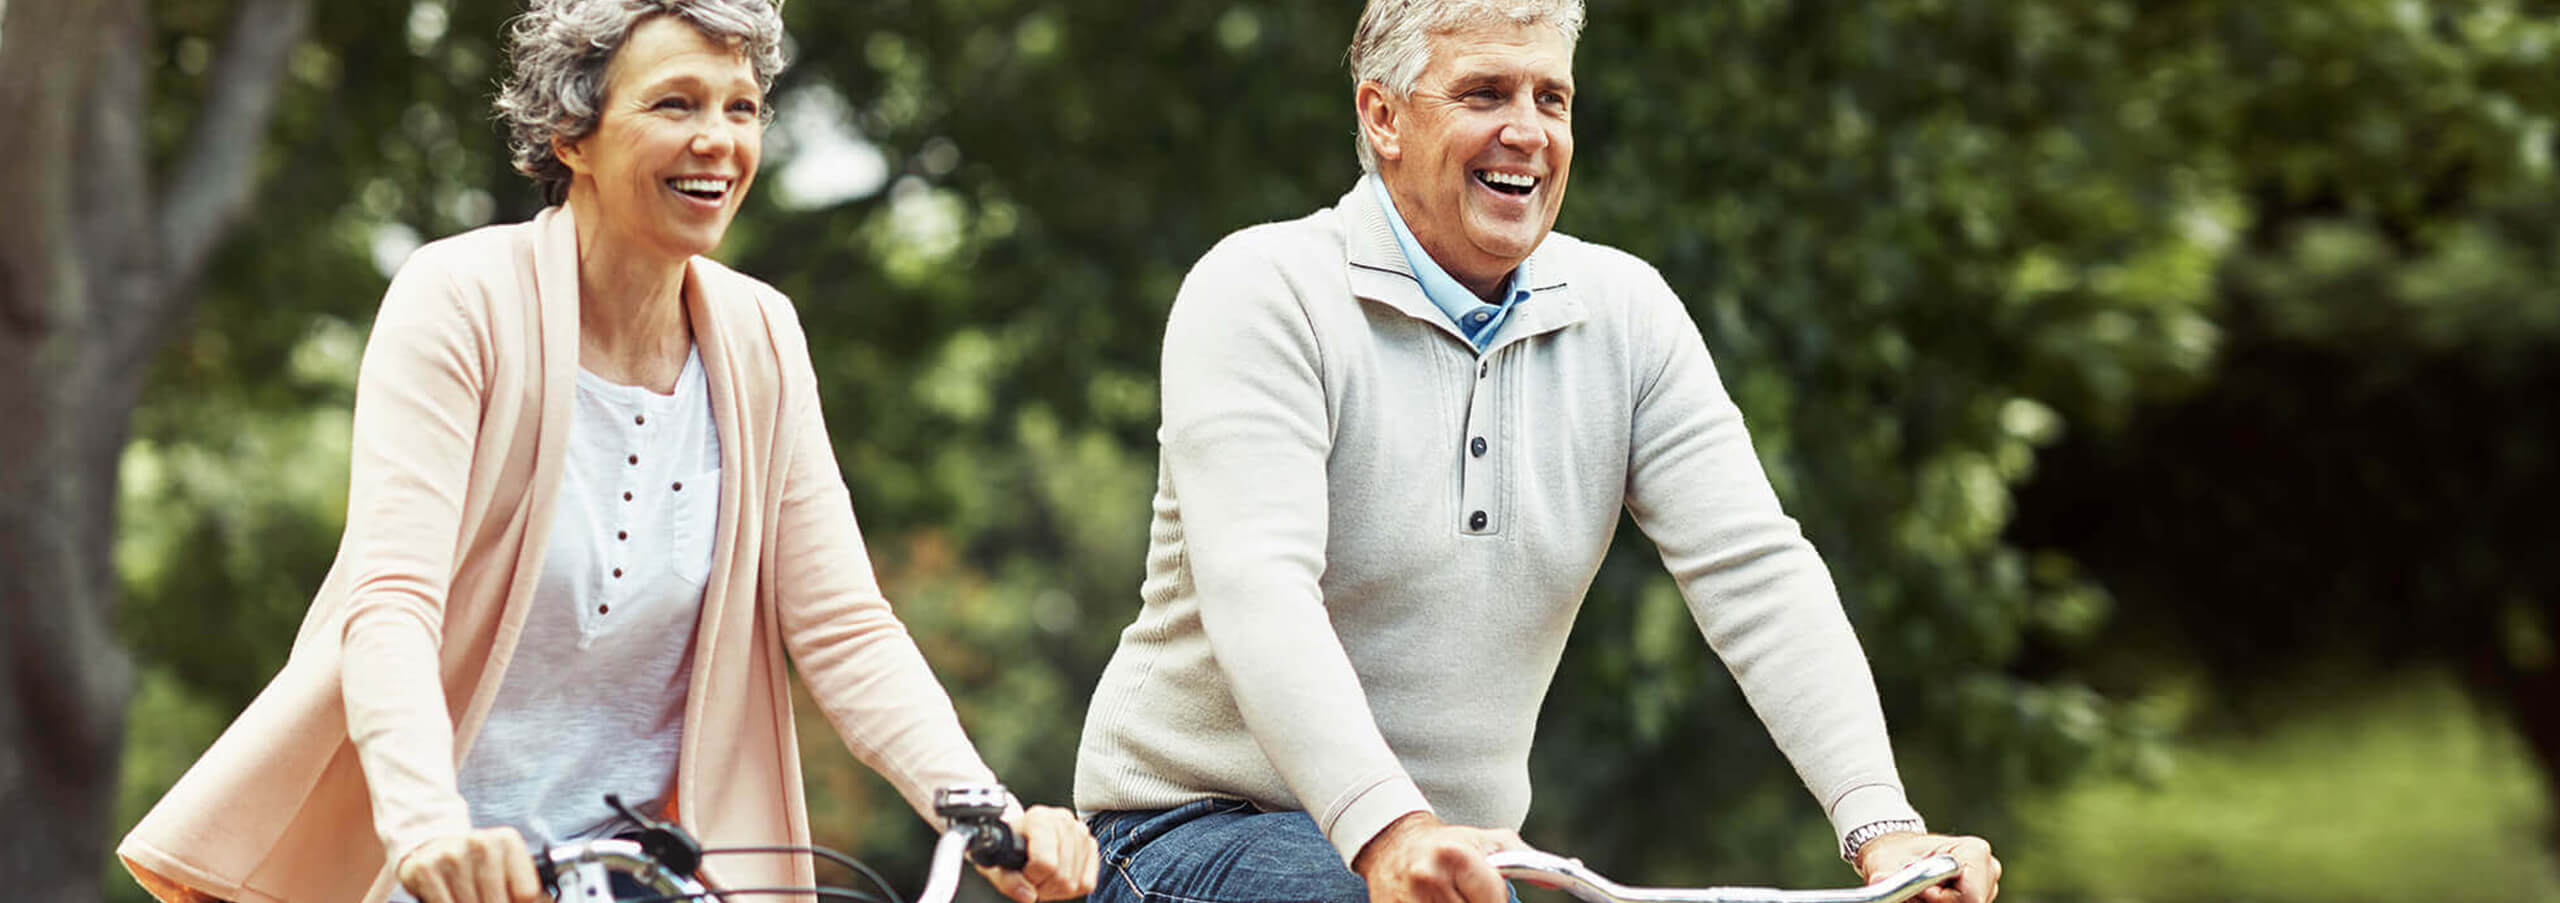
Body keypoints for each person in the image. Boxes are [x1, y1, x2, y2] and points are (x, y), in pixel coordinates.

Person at [116, 3, 1099, 902]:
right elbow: (390, 603)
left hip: (643, 871)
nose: (717, 138)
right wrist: (429, 830)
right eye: (675, 103)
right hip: (447, 866)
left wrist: (984, 813)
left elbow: (844, 628)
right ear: (568, 136)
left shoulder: (760, 337)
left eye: (742, 107)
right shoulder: (461, 300)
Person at [1071, 2, 2002, 902]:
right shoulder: (1262, 290)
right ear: (1382, 115)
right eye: (1484, 94)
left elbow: (1755, 572)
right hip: (1192, 832)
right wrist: (1389, 831)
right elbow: (1259, 584)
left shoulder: (1627, 313)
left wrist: (1885, 827)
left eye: (1550, 99)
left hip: (1460, 859)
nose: (1527, 131)